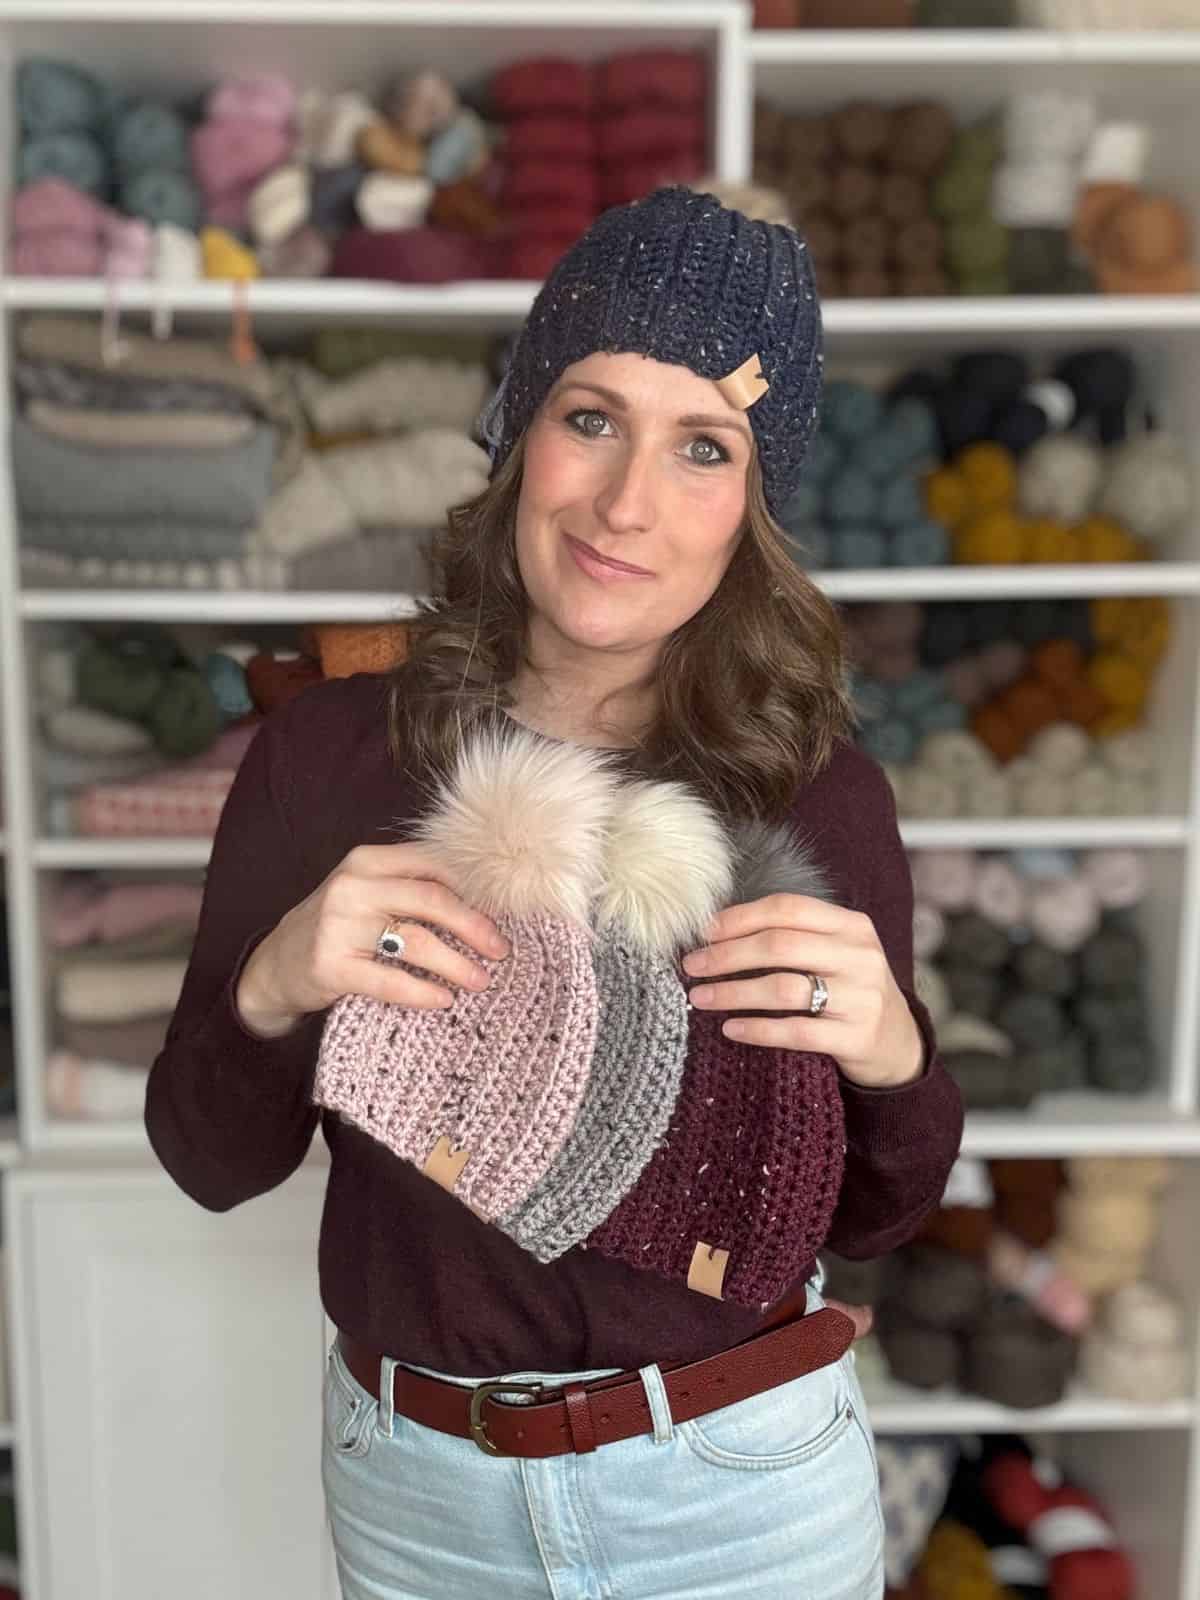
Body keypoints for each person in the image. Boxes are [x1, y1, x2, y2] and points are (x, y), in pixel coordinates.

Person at [146, 186, 963, 1600]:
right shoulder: (332, 761)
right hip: (416, 1500)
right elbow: (213, 1163)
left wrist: (894, 1051)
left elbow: (875, 1219)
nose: (626, 505)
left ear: (752, 507)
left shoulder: (819, 797)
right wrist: (276, 978)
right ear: (520, 432)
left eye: (702, 448)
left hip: (738, 1496)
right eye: (590, 419)